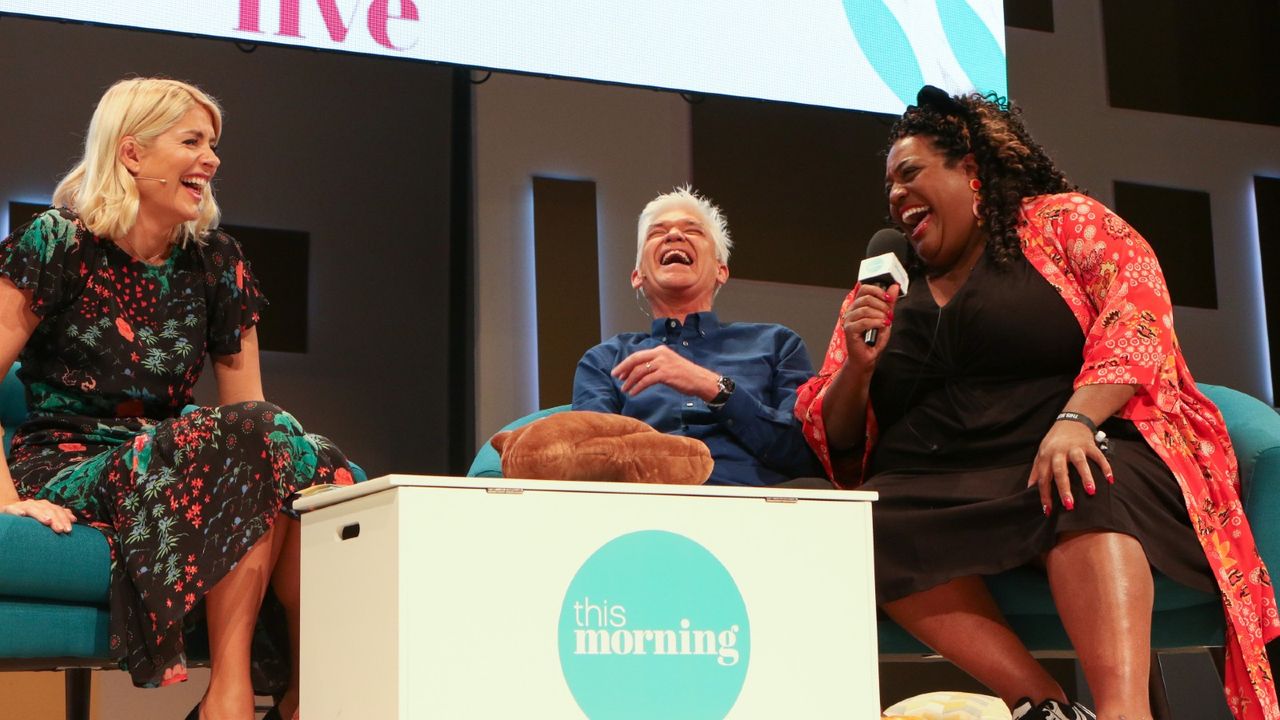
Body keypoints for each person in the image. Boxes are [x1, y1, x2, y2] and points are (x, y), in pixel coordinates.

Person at [795, 86, 1278, 720]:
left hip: (1073, 442)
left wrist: (1077, 419)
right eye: (888, 185)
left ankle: (1121, 712)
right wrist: (857, 371)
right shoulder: (886, 285)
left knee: (1083, 481)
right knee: (852, 524)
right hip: (943, 481)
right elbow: (836, 434)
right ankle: (1040, 703)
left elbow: (1137, 308)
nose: (894, 195)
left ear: (969, 168)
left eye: (909, 173)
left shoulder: (1060, 222)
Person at [0, 78, 353, 720]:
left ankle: (307, 695)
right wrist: (6, 501)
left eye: (213, 144)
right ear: (131, 153)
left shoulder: (218, 259)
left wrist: (276, 451)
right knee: (262, 442)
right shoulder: (57, 242)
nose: (212, 160)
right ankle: (231, 696)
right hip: (71, 459)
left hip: (171, 448)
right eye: (192, 141)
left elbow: (253, 414)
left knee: (312, 457)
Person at [573, 187, 822, 486]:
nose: (674, 235)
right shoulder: (604, 361)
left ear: (721, 270)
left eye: (693, 230)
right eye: (657, 232)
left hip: (755, 510)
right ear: (637, 275)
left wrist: (714, 388)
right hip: (644, 514)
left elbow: (805, 455)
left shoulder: (777, 344)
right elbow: (590, 464)